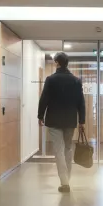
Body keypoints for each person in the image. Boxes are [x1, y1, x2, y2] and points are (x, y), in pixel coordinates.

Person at [38, 52, 86, 193]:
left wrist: (40, 116)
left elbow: (44, 99)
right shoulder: (76, 81)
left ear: (57, 63)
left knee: (58, 150)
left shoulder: (51, 80)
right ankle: (67, 179)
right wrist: (81, 120)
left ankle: (64, 182)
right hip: (70, 120)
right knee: (68, 149)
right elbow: (81, 103)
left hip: (54, 120)